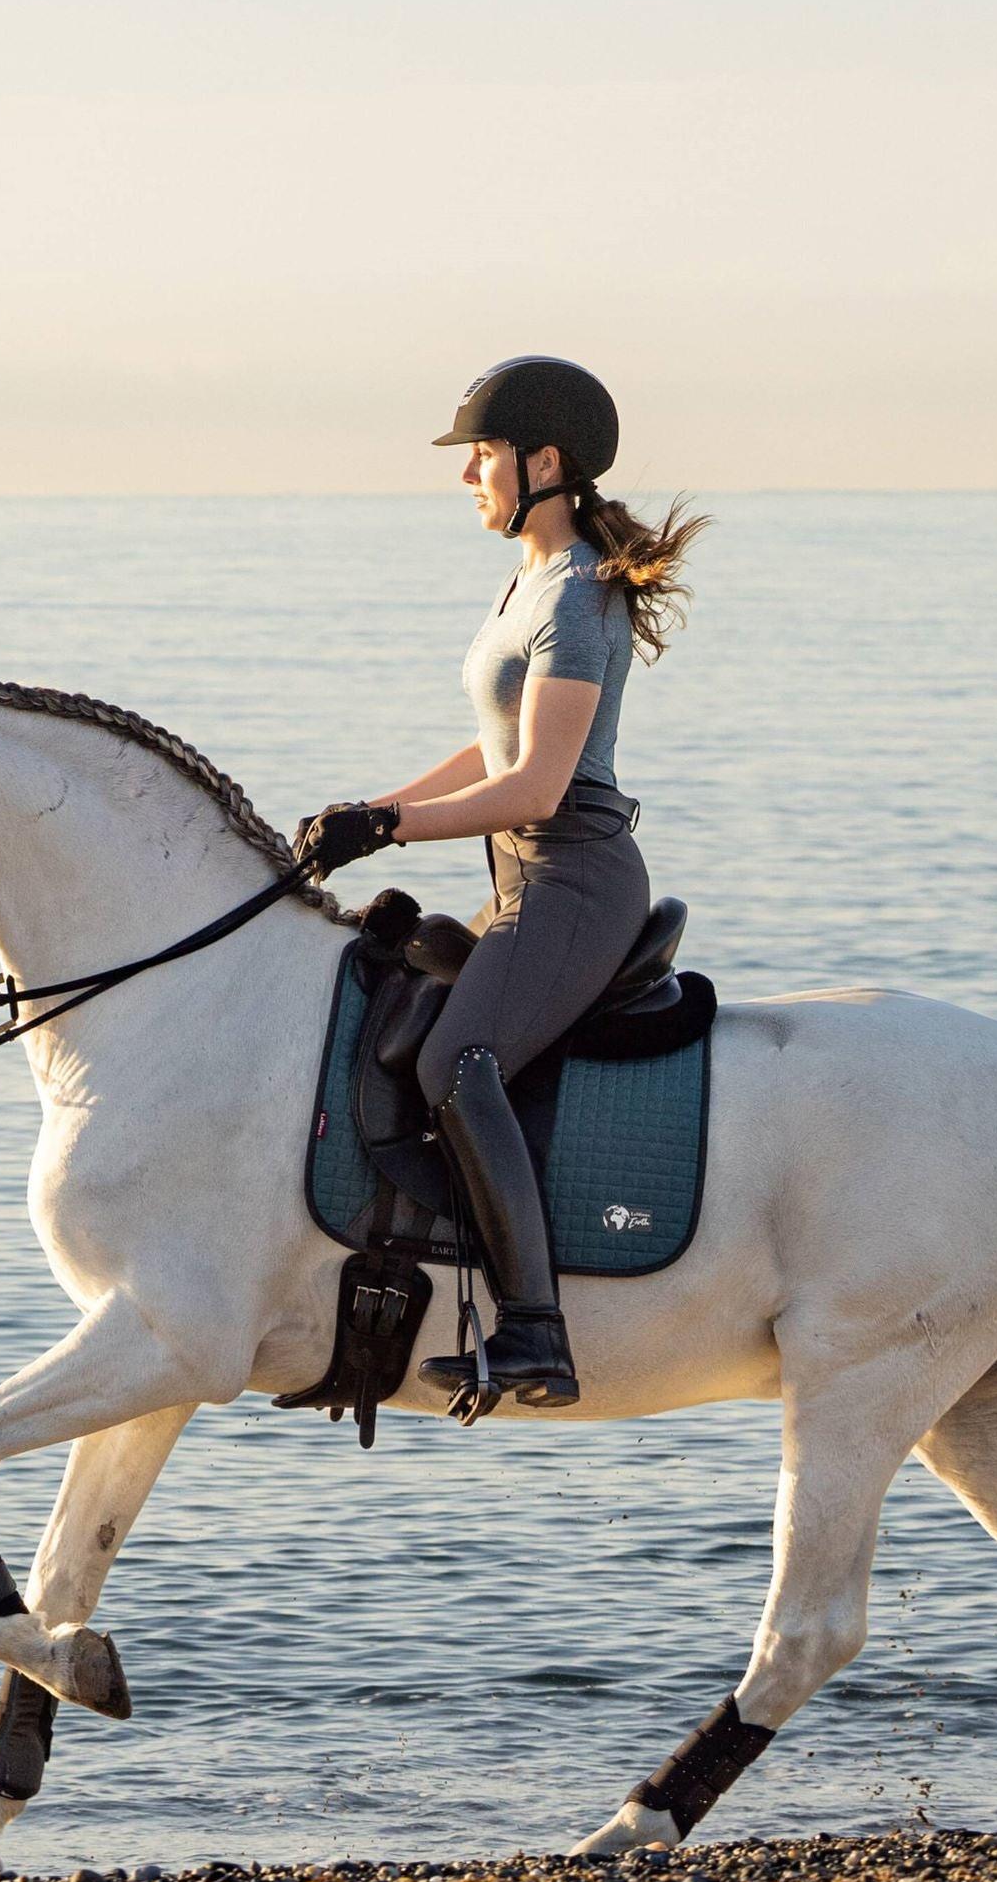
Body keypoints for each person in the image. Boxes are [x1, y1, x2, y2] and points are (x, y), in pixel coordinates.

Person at [288, 356, 705, 1415]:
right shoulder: (526, 581)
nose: (468, 473)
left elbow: (538, 780)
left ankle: (535, 1335)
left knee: (456, 1058)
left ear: (545, 461)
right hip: (524, 875)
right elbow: (488, 750)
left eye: (482, 453)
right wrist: (366, 810)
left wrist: (388, 828)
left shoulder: (577, 595)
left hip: (574, 879)